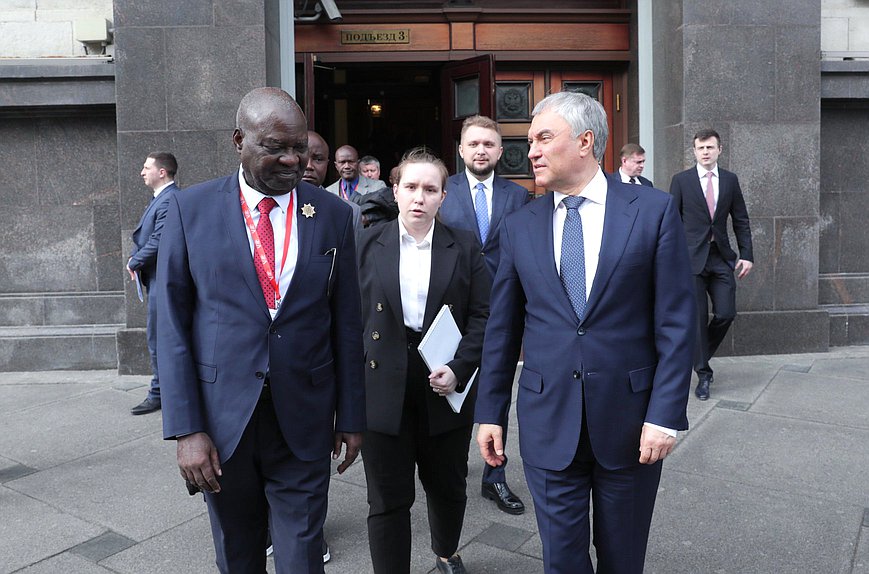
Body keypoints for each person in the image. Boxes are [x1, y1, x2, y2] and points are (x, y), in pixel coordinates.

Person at [475, 91, 696, 574]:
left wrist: (665, 416)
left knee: (622, 559)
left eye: (543, 138)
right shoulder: (519, 226)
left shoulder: (652, 211)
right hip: (547, 423)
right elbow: (503, 329)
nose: (529, 150)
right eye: (529, 139)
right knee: (563, 562)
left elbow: (678, 324)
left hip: (631, 426)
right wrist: (490, 411)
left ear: (585, 141)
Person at [156, 87, 365, 574]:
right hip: (223, 424)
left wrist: (352, 416)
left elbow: (346, 321)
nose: (293, 160)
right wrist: (186, 429)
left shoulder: (332, 214)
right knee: (238, 551)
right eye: (276, 147)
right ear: (238, 141)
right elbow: (171, 327)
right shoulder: (191, 212)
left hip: (305, 419)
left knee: (302, 555)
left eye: (301, 148)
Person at [358, 148, 490, 574]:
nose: (419, 197)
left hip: (444, 379)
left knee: (448, 486)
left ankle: (447, 551)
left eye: (429, 189)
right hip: (382, 383)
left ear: (442, 197)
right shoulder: (364, 244)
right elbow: (345, 320)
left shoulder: (464, 245)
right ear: (394, 190)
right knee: (387, 496)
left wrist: (461, 366)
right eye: (411, 187)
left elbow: (485, 314)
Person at [439, 115, 529, 515]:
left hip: (503, 310)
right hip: (453, 312)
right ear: (461, 149)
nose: (481, 151)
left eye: (488, 145)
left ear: (499, 151)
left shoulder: (519, 195)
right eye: (473, 144)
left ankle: (495, 476)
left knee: (497, 391)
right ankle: (448, 472)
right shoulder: (443, 191)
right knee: (449, 392)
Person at [669, 129, 754, 401]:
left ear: (720, 150)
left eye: (710, 147)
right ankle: (703, 374)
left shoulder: (730, 180)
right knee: (696, 319)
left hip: (721, 258)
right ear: (694, 151)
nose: (705, 152)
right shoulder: (681, 181)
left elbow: (740, 218)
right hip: (689, 260)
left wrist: (747, 253)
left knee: (726, 313)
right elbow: (671, 222)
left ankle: (696, 351)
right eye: (700, 148)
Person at [127, 152, 179, 416]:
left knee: (158, 338)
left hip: (164, 279)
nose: (142, 172)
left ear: (162, 172)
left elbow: (159, 241)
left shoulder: (169, 199)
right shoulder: (162, 198)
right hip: (158, 277)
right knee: (157, 337)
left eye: (146, 167)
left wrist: (135, 260)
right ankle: (162, 391)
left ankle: (159, 393)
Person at [305, 130, 362, 238]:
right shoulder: (269, 207)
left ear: (327, 164)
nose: (309, 166)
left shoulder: (349, 211)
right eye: (303, 157)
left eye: (318, 159)